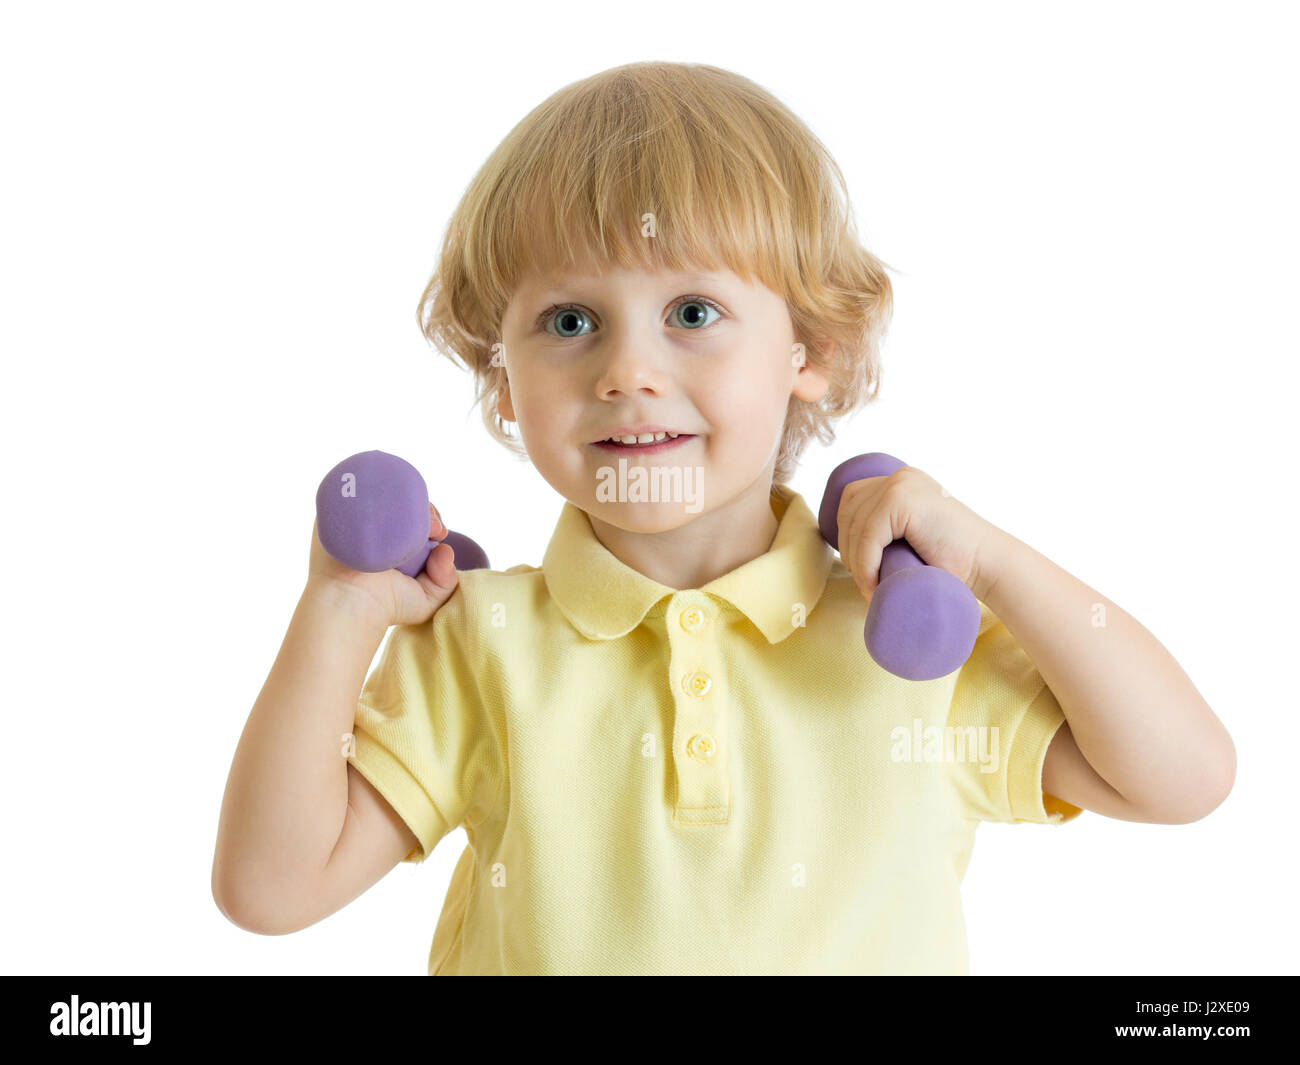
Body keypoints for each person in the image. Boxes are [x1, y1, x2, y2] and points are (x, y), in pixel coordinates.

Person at [211, 61, 1236, 975]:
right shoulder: (481, 643)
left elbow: (1181, 778)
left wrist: (994, 562)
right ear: (506, 386)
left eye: (691, 314)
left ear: (813, 351)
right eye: (569, 322)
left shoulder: (912, 643)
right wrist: (340, 607)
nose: (626, 373)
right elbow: (271, 890)